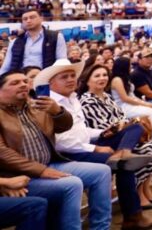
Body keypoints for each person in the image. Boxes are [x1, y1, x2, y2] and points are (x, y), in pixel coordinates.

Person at [40, 59, 152, 229]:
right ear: (51, 82)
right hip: (67, 154)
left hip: (84, 146)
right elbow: (62, 142)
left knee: (135, 127)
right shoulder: (49, 103)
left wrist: (102, 132)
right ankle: (131, 217)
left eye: (72, 76)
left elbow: (81, 131)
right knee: (124, 164)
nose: (70, 80)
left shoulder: (72, 98)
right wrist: (96, 147)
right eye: (64, 77)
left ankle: (123, 153)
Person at [0, 70, 112, 230]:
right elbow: (2, 153)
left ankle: (101, 227)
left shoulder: (34, 106)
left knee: (101, 172)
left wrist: (58, 111)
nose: (23, 84)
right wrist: (42, 171)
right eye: (15, 83)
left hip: (49, 163)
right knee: (72, 184)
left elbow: (64, 127)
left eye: (25, 81)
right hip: (18, 175)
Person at [78, 64, 152, 210]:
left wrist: (127, 123)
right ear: (87, 81)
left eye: (105, 75)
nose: (102, 78)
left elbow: (121, 118)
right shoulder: (87, 100)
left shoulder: (107, 97)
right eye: (97, 76)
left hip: (122, 137)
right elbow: (104, 129)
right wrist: (127, 124)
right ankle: (138, 192)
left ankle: (144, 188)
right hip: (105, 141)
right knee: (141, 135)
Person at [0, 9, 67, 74]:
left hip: (46, 77)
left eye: (32, 17)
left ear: (41, 18)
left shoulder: (56, 37)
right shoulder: (15, 42)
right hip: (22, 78)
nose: (28, 21)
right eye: (25, 19)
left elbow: (61, 61)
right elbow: (6, 67)